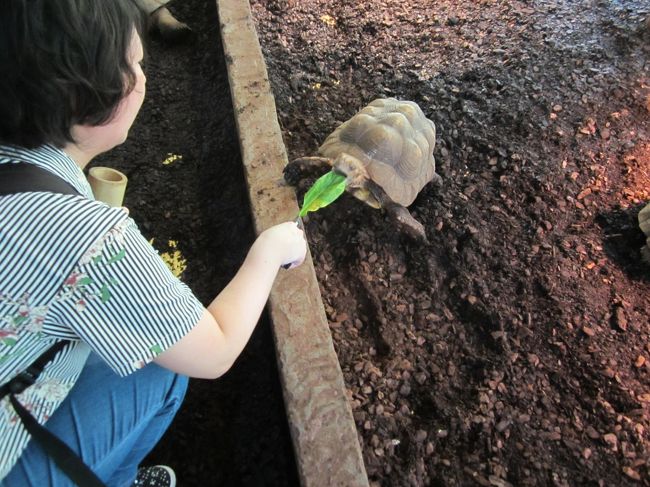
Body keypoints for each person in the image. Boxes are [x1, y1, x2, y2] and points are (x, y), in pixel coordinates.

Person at [0, 1, 307, 486]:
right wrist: (270, 250)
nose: (144, 78)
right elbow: (215, 351)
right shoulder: (82, 236)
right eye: (136, 65)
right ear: (84, 102)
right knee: (161, 366)